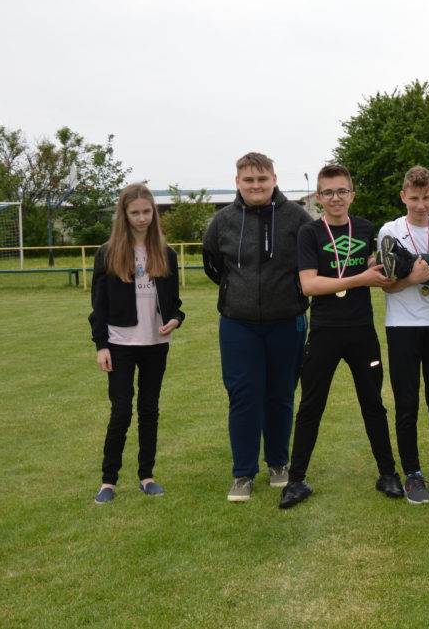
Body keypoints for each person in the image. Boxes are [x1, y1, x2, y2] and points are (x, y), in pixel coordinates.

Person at [279, 164, 402, 509]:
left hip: (362, 330)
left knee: (373, 403)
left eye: (342, 191)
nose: (336, 198)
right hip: (324, 331)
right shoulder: (309, 232)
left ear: (352, 195)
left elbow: (373, 265)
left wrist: (384, 266)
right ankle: (296, 481)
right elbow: (309, 285)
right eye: (329, 192)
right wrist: (361, 279)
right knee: (311, 405)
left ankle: (388, 474)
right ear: (319, 197)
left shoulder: (364, 228)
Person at [203, 152, 311, 502]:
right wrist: (238, 292)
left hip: (288, 320)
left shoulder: (297, 217)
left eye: (262, 179)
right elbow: (212, 264)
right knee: (244, 396)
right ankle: (243, 473)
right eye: (248, 180)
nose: (256, 185)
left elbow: (310, 261)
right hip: (238, 323)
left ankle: (278, 463)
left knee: (281, 394)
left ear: (274, 180)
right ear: (237, 182)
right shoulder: (223, 221)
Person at [89, 183, 184, 504]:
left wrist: (175, 319)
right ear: (124, 215)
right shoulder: (108, 253)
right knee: (121, 412)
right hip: (119, 344)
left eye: (146, 212)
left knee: (149, 410)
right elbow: (98, 305)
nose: (142, 218)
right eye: (135, 213)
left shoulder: (166, 254)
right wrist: (101, 345)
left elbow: (174, 304)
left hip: (155, 344)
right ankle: (108, 482)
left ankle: (147, 476)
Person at [377, 166, 429, 504]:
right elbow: (387, 285)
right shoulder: (390, 231)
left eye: (426, 198)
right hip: (401, 326)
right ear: (403, 197)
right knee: (407, 404)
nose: (420, 205)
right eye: (414, 198)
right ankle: (412, 473)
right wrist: (413, 279)